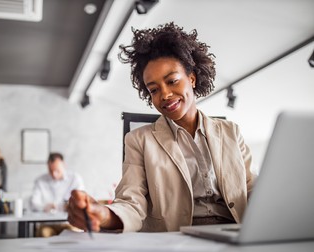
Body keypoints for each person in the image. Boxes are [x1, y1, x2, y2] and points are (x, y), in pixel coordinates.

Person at [68, 22, 256, 233]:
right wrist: (103, 214)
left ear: (191, 78)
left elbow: (251, 189)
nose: (164, 94)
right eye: (154, 89)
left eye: (172, 81)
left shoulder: (230, 131)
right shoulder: (139, 140)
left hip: (237, 234)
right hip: (177, 240)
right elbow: (132, 201)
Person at [30, 152, 85, 236]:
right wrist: (45, 207)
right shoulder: (40, 181)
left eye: (57, 170)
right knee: (43, 234)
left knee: (74, 235)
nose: (54, 174)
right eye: (51, 170)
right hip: (48, 224)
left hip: (69, 223)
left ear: (64, 165)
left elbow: (81, 201)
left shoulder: (75, 179)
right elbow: (33, 204)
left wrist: (66, 206)